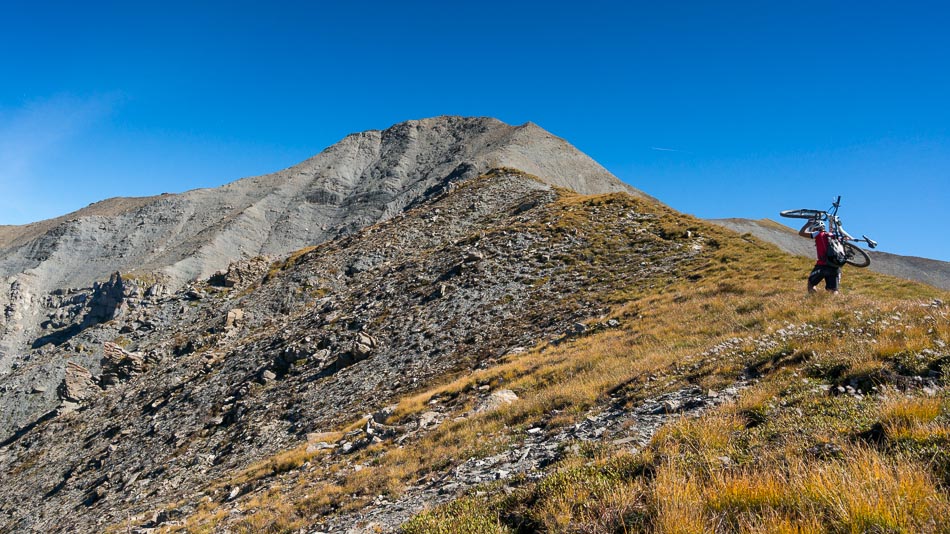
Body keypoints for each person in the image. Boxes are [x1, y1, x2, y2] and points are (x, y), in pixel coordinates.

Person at [799, 219, 840, 294]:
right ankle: (835, 303)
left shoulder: (817, 233)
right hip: (834, 265)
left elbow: (801, 233)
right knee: (833, 290)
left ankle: (814, 300)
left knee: (811, 284)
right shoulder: (832, 235)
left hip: (822, 265)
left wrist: (808, 224)